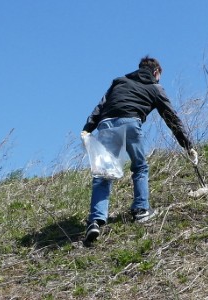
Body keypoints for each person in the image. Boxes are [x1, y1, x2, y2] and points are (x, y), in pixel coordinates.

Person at [81, 56, 198, 244]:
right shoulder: (155, 87)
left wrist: (87, 128)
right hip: (130, 122)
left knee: (103, 174)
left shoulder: (119, 82)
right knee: (139, 167)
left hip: (106, 124)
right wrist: (188, 146)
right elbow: (171, 117)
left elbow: (100, 106)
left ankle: (95, 221)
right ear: (156, 72)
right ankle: (141, 209)